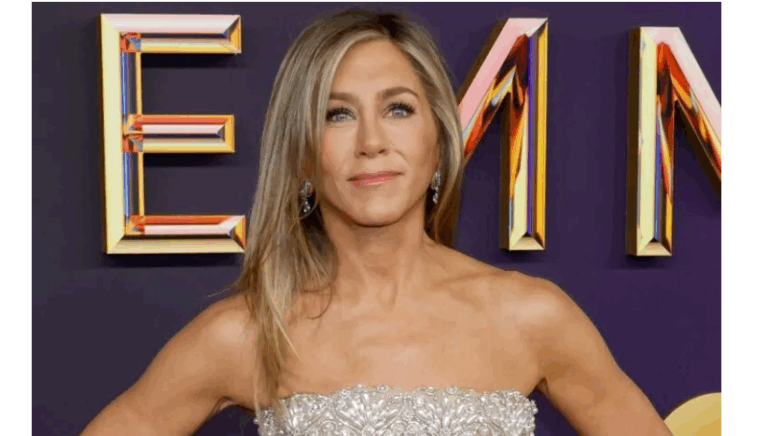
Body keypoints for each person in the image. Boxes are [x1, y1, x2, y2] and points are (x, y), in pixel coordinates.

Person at [79, 7, 674, 436]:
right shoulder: (249, 333)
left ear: (438, 140)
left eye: (398, 109)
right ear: (302, 154)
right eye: (336, 114)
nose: (371, 142)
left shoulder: (532, 316)